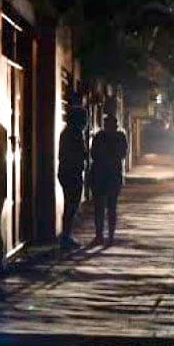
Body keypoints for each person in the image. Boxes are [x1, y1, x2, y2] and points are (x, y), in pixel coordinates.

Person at [90, 114, 128, 245]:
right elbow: (122, 154)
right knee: (109, 207)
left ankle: (101, 235)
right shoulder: (118, 137)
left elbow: (94, 154)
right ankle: (106, 236)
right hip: (109, 175)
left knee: (102, 208)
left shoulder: (101, 137)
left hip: (102, 175)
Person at [58, 100, 88, 249]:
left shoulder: (68, 132)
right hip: (72, 172)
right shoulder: (74, 133)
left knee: (70, 204)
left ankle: (66, 235)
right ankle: (66, 236)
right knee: (72, 204)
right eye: (84, 119)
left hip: (67, 171)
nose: (86, 122)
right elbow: (78, 153)